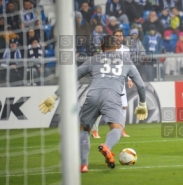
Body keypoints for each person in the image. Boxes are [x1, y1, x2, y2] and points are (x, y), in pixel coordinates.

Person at [39, 35, 148, 172]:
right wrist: (142, 104)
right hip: (112, 96)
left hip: (92, 96)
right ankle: (107, 146)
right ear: (116, 47)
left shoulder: (93, 60)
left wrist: (54, 96)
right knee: (117, 128)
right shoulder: (126, 61)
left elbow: (71, 78)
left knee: (84, 129)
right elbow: (141, 85)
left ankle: (84, 164)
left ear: (101, 48)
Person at [91, 29, 132, 138]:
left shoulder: (126, 50)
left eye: (121, 35)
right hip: (107, 81)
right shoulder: (107, 49)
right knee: (101, 106)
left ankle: (121, 129)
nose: (119, 37)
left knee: (123, 106)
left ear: (123, 37)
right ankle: (95, 130)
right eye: (116, 35)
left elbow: (127, 66)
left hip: (120, 81)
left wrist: (129, 79)